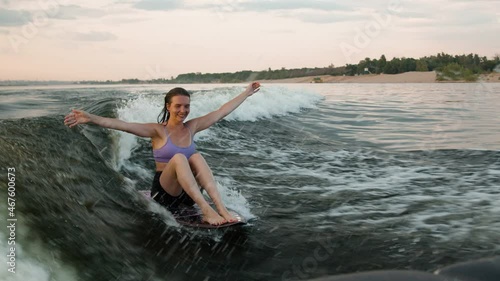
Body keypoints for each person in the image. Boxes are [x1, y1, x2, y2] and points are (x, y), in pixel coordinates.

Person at [64, 82, 261, 225]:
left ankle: (220, 208)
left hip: (187, 194)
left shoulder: (192, 127)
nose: (183, 110)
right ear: (168, 107)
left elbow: (222, 111)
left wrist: (246, 93)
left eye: (186, 106)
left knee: (196, 156)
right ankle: (206, 209)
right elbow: (123, 125)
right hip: (165, 193)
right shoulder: (158, 131)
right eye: (178, 106)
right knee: (179, 158)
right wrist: (90, 118)